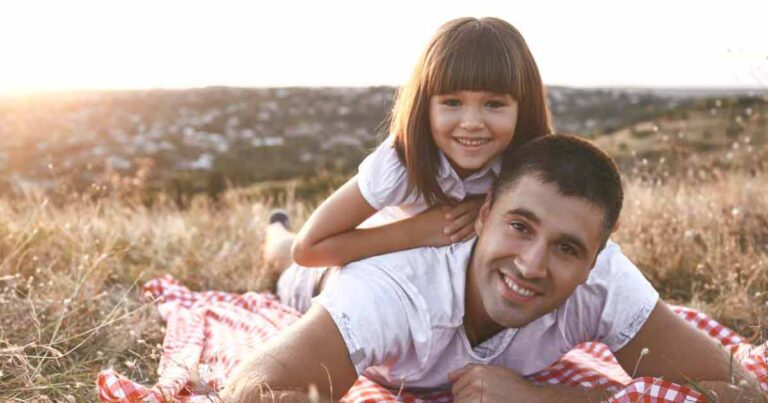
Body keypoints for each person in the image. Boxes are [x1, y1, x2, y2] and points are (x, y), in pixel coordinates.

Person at [225, 135, 763, 402]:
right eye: (520, 226)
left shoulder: (605, 281)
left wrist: (541, 398)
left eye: (566, 248)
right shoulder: (390, 292)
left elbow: (740, 391)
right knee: (285, 261)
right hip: (337, 272)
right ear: (484, 214)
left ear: (596, 258)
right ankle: (277, 229)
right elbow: (251, 390)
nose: (531, 265)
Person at [272, 16, 551, 313]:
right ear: (425, 105)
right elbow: (308, 249)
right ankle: (275, 227)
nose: (471, 122)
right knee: (283, 255)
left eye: (494, 104)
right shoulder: (401, 161)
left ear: (522, 108)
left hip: (431, 298)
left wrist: (490, 208)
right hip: (334, 277)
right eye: (452, 102)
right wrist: (421, 230)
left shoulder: (529, 170)